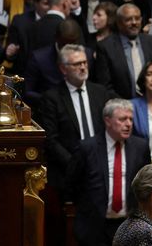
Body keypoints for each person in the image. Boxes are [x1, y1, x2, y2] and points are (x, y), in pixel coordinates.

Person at [70, 99, 152, 246]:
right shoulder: (87, 147)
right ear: (107, 120)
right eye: (122, 119)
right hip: (94, 227)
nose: (128, 124)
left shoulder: (140, 147)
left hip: (128, 226)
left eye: (130, 119)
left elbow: (145, 184)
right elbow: (72, 184)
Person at [40, 44, 116, 193]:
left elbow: (108, 128)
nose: (83, 67)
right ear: (63, 69)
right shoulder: (51, 98)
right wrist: (76, 164)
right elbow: (51, 140)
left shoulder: (100, 92)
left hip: (101, 169)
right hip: (67, 172)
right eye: (77, 64)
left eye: (84, 62)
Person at [95, 3, 152, 99]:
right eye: (128, 19)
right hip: (122, 107)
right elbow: (105, 86)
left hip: (151, 102)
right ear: (118, 22)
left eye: (137, 18)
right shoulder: (105, 47)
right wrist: (125, 106)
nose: (134, 22)